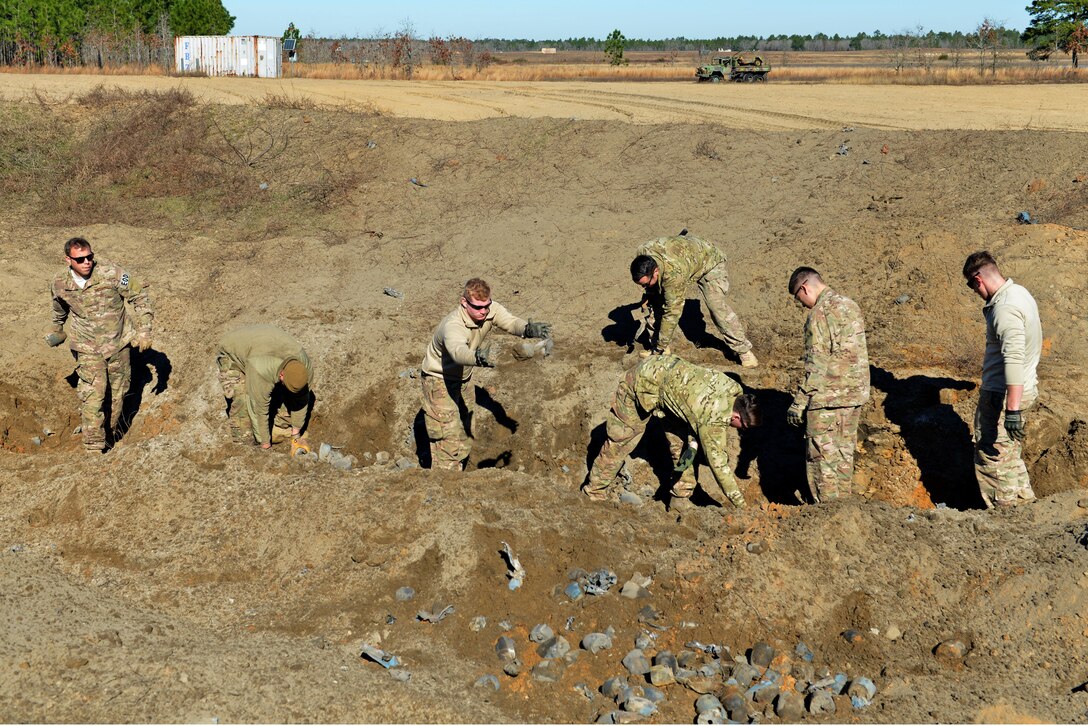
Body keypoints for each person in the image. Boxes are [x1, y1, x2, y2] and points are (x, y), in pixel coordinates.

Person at [582, 354, 761, 510]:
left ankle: (680, 497)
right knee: (621, 441)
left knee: (687, 447)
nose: (742, 432)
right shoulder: (712, 416)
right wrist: (740, 504)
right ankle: (594, 492)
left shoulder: (734, 389)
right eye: (744, 428)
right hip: (641, 381)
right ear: (736, 417)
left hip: (673, 391)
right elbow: (719, 466)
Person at [420, 278, 552, 470]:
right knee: (446, 436)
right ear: (464, 302)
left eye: (486, 306)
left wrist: (527, 329)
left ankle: (459, 471)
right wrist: (477, 357)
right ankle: (444, 481)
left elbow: (510, 321)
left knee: (465, 431)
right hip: (438, 380)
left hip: (463, 378)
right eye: (478, 307)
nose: (483, 311)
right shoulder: (453, 325)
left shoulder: (490, 310)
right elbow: (458, 351)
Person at [46, 237, 153, 453]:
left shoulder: (112, 273)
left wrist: (144, 329)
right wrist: (57, 330)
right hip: (87, 347)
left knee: (117, 393)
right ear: (68, 260)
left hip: (118, 344)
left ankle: (109, 436)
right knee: (93, 395)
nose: (87, 262)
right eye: (80, 259)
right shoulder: (59, 282)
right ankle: (93, 448)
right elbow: (59, 308)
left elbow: (139, 296)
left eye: (90, 257)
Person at [962, 251, 1041, 508]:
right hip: (1023, 388)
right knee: (1008, 450)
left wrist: (1013, 410)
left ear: (978, 280)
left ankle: (1007, 513)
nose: (974, 292)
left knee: (992, 453)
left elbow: (1013, 360)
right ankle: (1025, 504)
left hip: (1003, 394)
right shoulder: (1020, 293)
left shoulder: (1004, 308)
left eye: (971, 286)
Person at [785, 267, 870, 502]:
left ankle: (827, 513)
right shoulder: (850, 305)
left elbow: (817, 364)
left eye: (798, 298)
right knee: (844, 454)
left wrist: (799, 402)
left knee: (822, 458)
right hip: (854, 396)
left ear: (804, 288)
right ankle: (843, 509)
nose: (802, 304)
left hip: (827, 399)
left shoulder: (818, 315)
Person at [630, 230, 757, 367]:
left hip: (709, 261)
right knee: (655, 301)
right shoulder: (642, 252)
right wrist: (649, 292)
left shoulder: (673, 275)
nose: (644, 288)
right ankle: (659, 348)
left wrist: (659, 347)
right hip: (684, 258)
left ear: (655, 271)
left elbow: (672, 313)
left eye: (646, 284)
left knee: (716, 306)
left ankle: (744, 351)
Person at [216, 324, 314, 453]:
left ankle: (277, 428)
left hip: (263, 348)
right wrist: (265, 445)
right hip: (232, 354)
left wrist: (296, 437)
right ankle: (243, 446)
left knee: (287, 400)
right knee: (243, 401)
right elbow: (258, 410)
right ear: (282, 374)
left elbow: (301, 399)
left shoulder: (304, 366)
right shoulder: (261, 369)